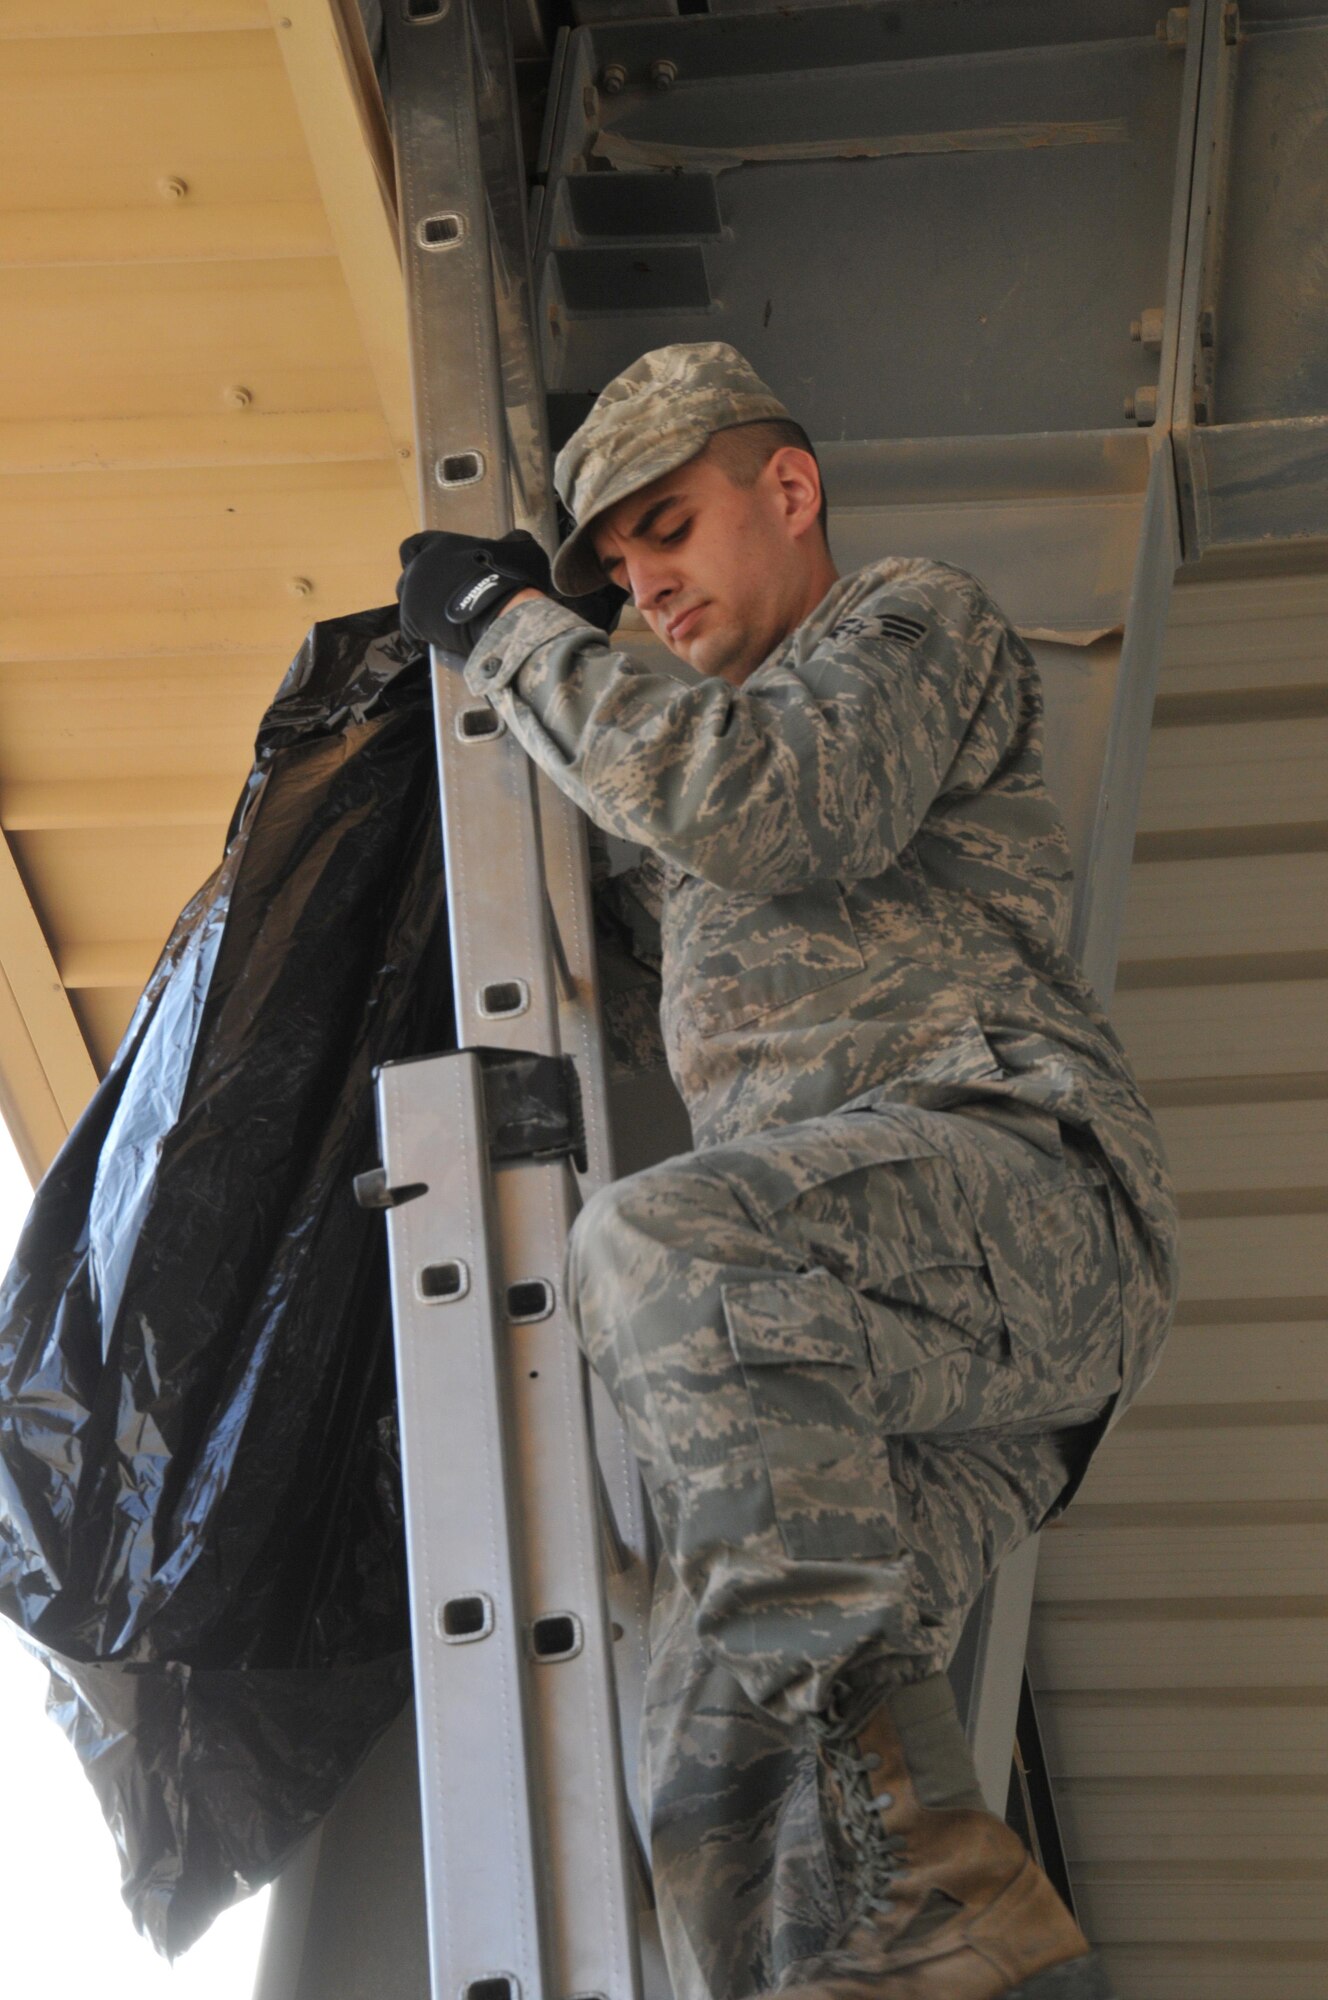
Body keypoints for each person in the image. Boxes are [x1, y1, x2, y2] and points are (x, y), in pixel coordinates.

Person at [396, 343, 1179, 2000]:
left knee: (661, 1247)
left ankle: (918, 1888)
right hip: (901, 1367)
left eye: (666, 530)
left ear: (791, 493)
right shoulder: (695, 804)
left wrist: (511, 630)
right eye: (612, 571)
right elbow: (651, 868)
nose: (642, 586)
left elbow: (766, 807)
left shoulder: (909, 626)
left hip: (1024, 1198)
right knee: (699, 1717)